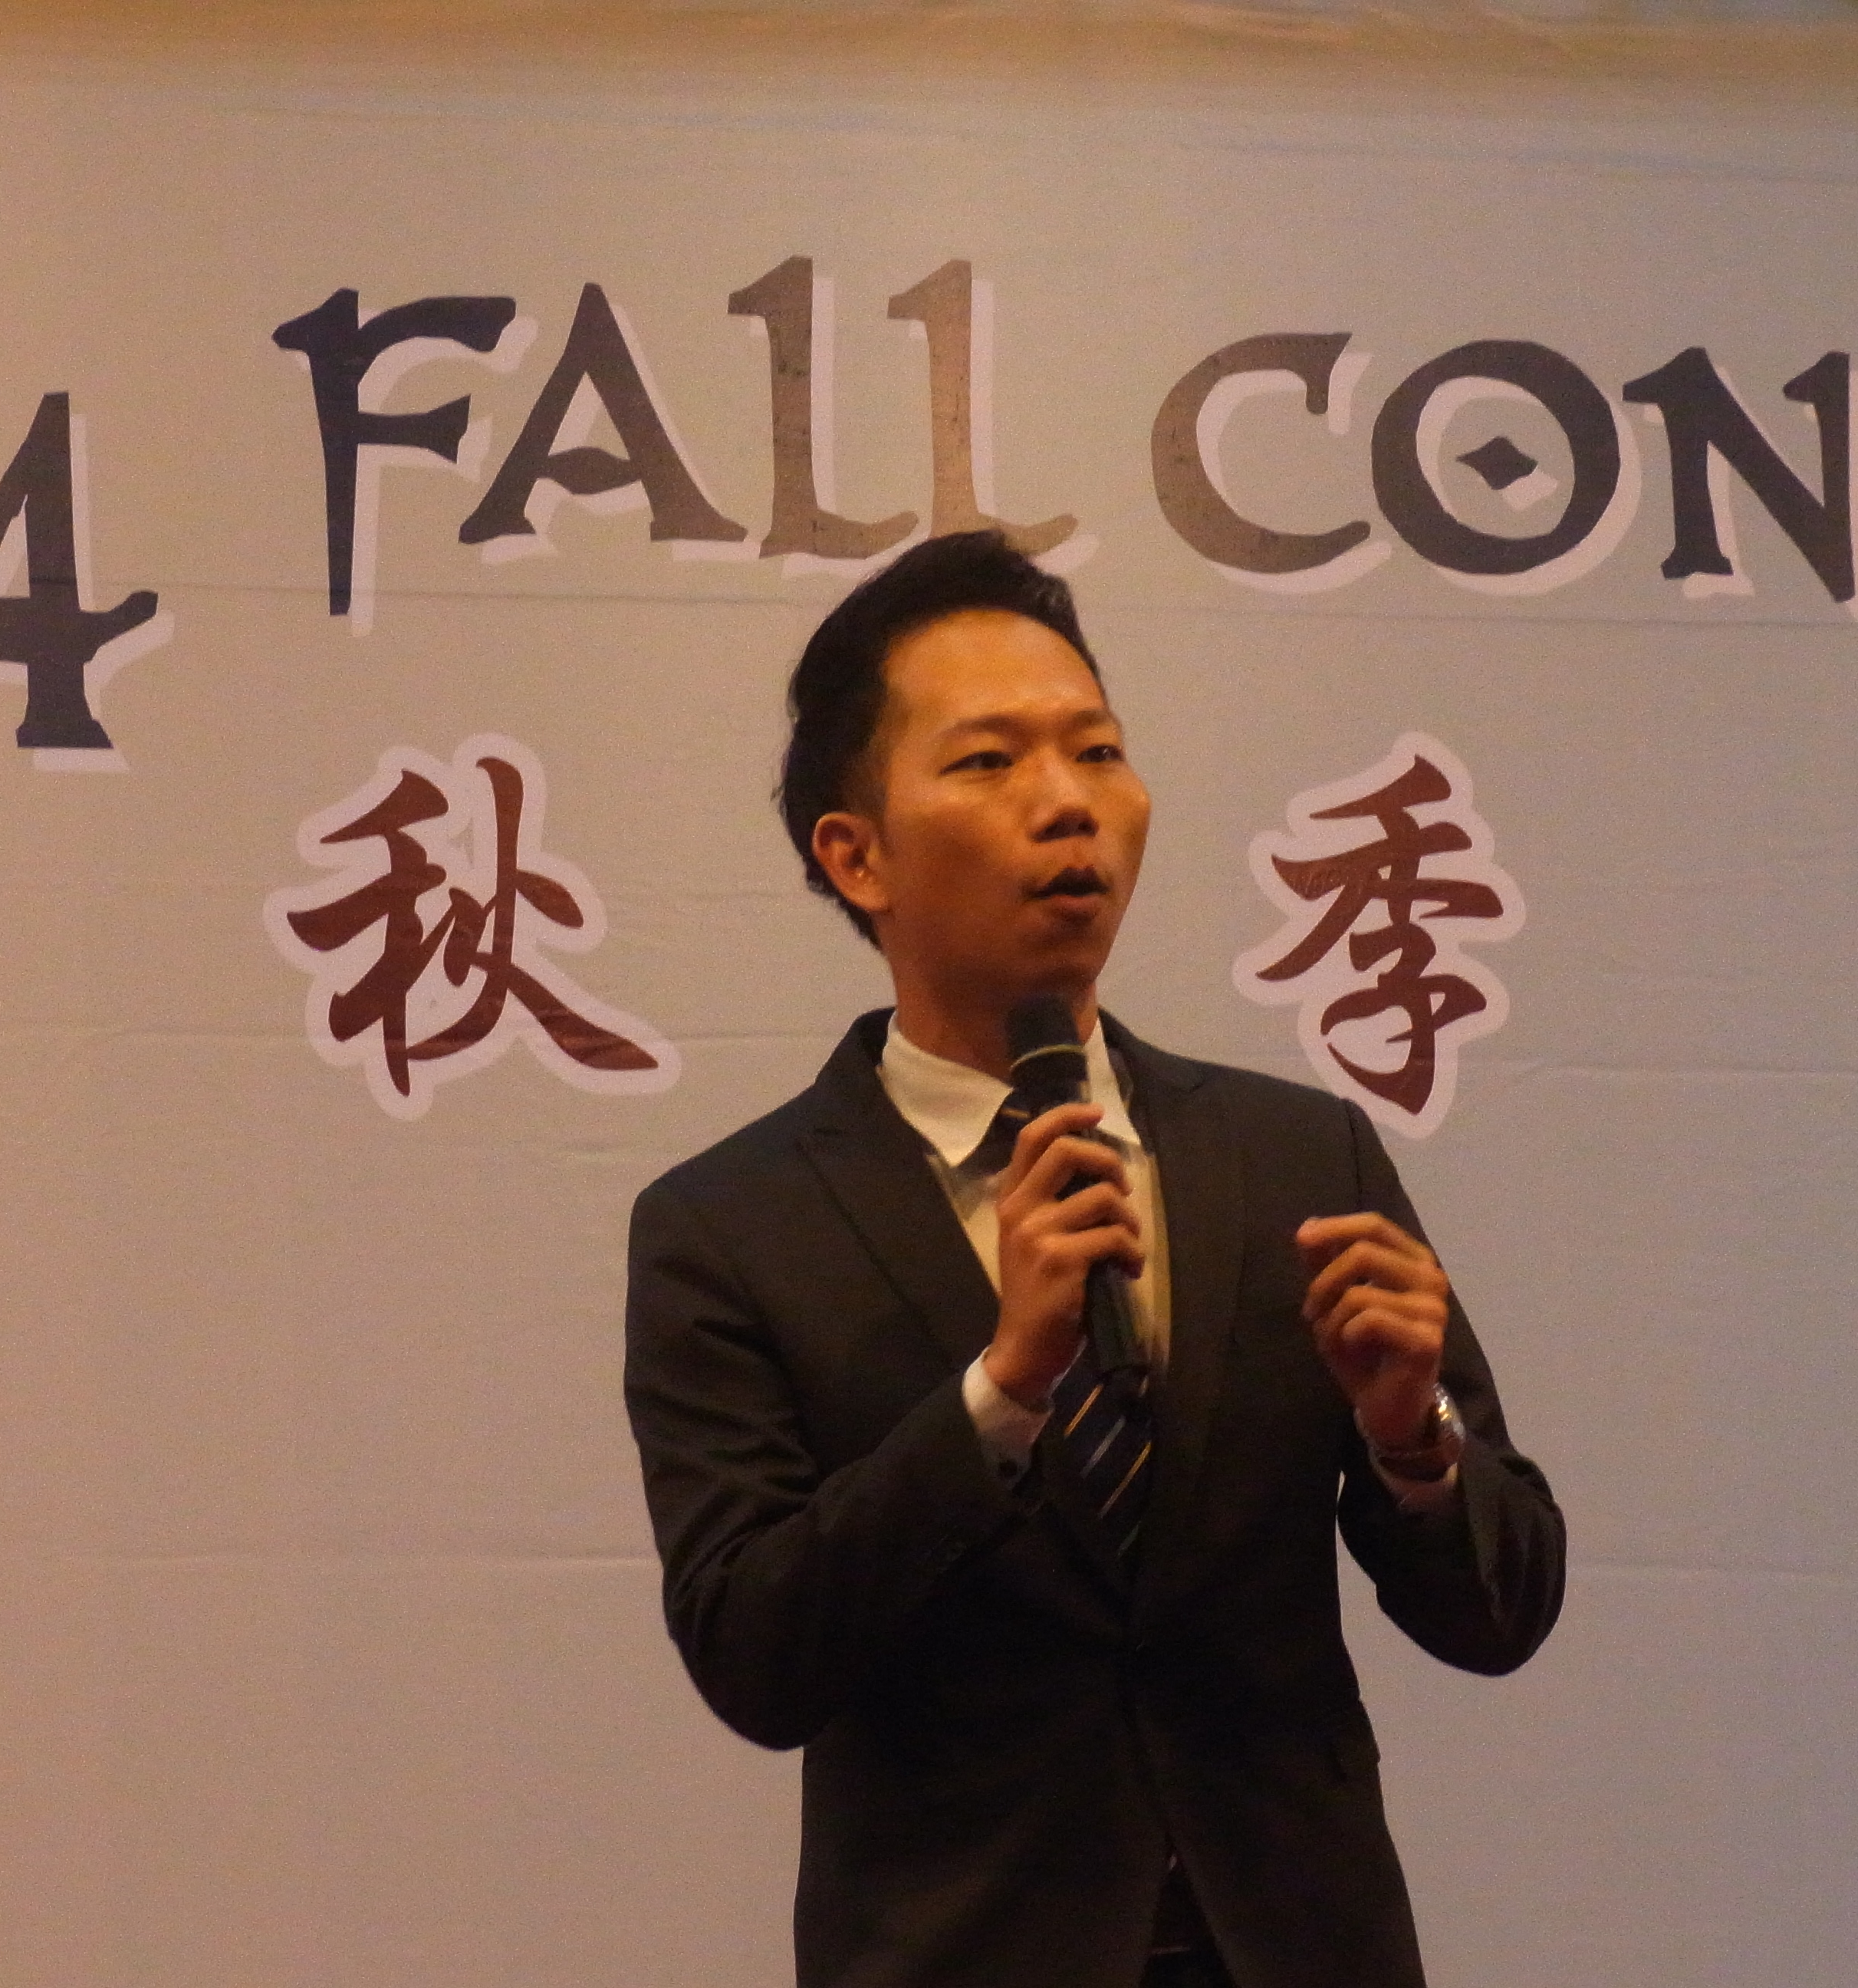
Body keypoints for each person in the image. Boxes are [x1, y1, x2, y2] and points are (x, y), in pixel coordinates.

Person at [623, 531, 1565, 1988]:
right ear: (856, 855)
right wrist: (1001, 1391)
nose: (1068, 801)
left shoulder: (1298, 1160)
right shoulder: (732, 1228)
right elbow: (754, 1655)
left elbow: (1500, 1612)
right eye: (989, 761)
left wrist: (1412, 1439)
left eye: (1098, 751)